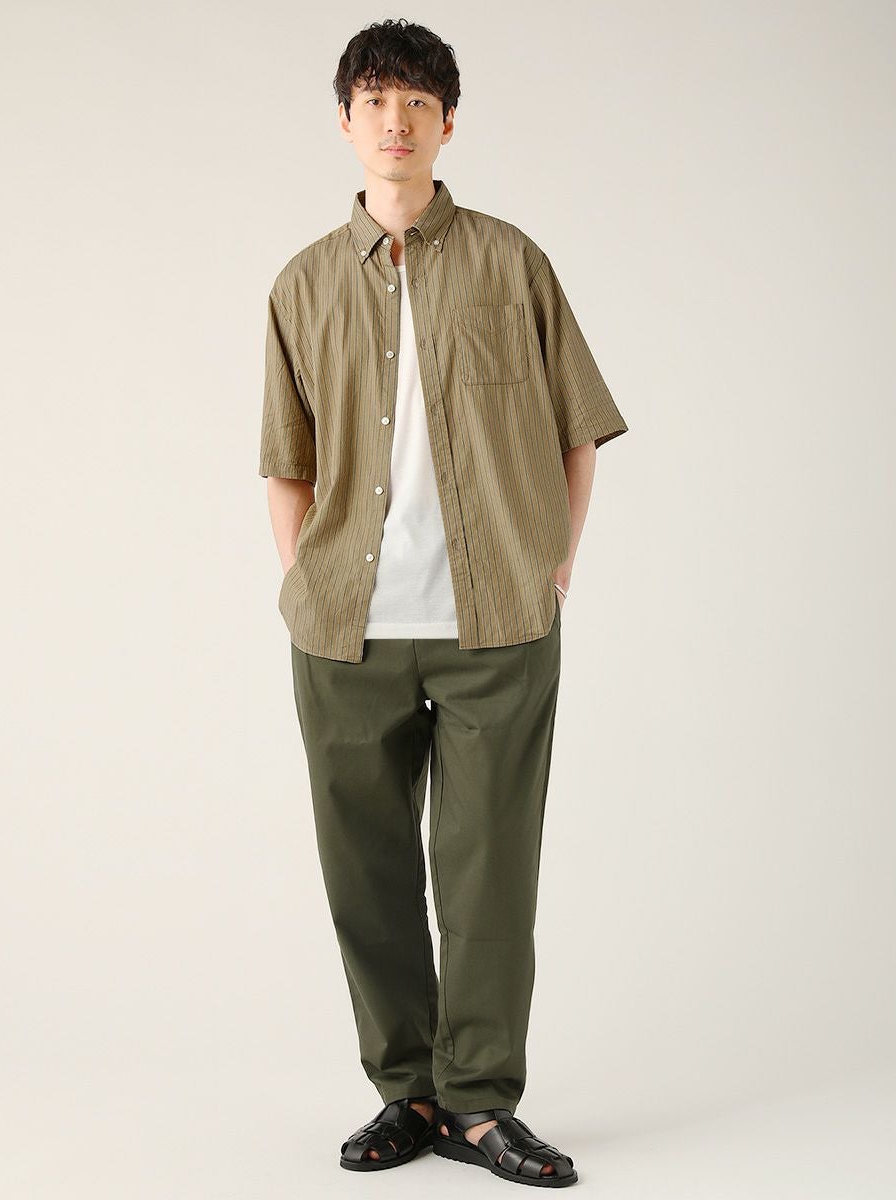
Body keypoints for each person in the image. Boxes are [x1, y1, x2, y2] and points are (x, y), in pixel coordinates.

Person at [259, 17, 627, 1188]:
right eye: (375, 100)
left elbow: (578, 428)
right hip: (347, 633)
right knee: (364, 878)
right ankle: (405, 1094)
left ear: (447, 123)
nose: (396, 121)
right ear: (345, 121)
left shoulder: (512, 263)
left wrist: (551, 564)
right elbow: (286, 463)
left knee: (488, 878)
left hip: (495, 628)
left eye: (417, 102)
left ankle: (478, 1103)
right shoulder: (301, 284)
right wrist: (304, 586)